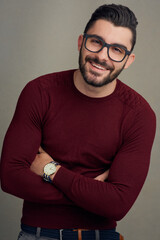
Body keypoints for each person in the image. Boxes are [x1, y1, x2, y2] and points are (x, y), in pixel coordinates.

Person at [0, 4, 156, 240]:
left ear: (128, 60)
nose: (102, 56)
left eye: (117, 50)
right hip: (37, 235)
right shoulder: (40, 92)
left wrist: (51, 170)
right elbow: (10, 178)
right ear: (81, 41)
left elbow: (118, 205)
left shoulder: (139, 114)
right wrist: (94, 193)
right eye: (96, 42)